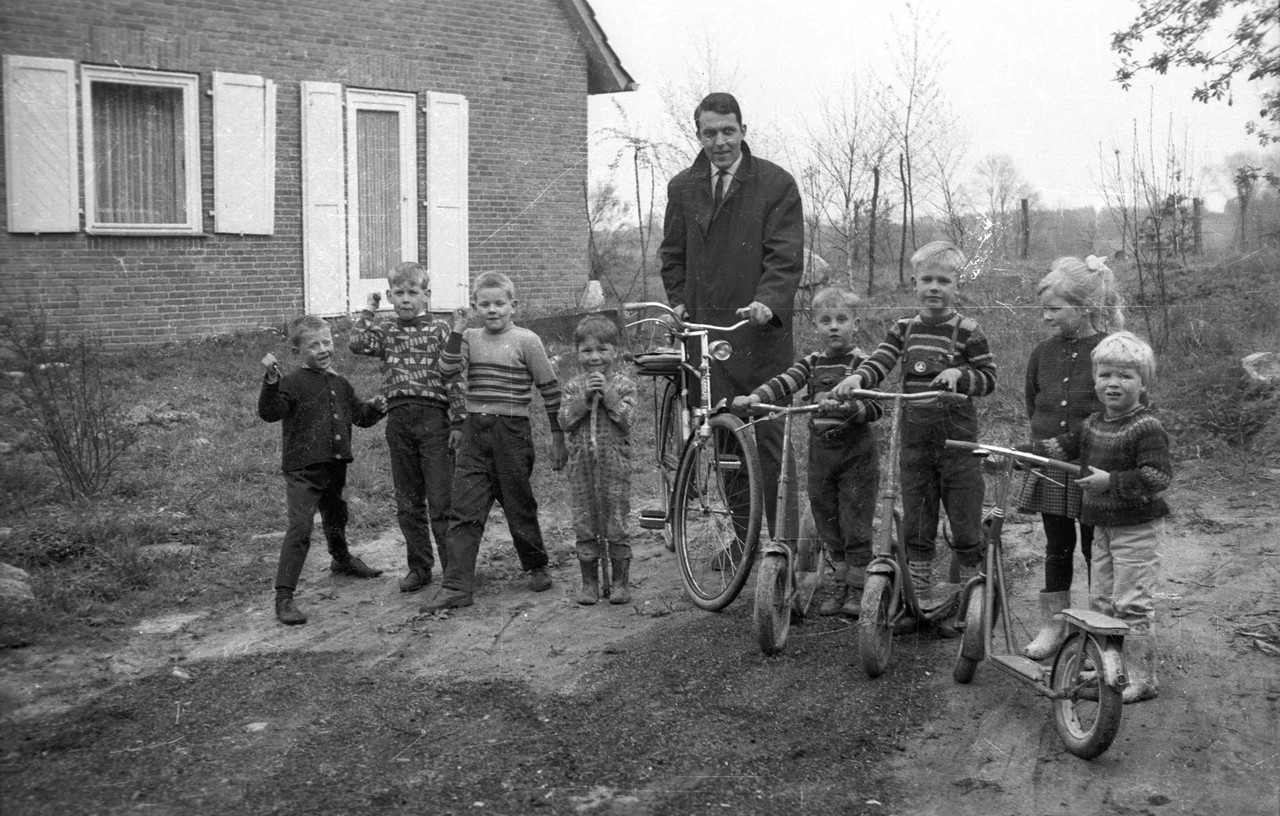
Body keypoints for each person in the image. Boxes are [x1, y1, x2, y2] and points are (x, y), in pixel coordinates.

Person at [659, 91, 804, 538]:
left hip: (759, 334)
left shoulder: (775, 184)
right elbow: (672, 254)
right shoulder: (682, 187)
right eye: (710, 132)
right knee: (724, 442)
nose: (720, 141)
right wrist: (679, 300)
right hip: (708, 336)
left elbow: (785, 258)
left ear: (743, 130)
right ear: (698, 134)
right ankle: (743, 544)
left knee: (769, 442)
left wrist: (768, 301)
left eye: (728, 131)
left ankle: (786, 550)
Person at [832, 241, 997, 622]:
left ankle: (974, 605)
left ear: (957, 285)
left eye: (944, 280)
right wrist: (857, 376)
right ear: (913, 283)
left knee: (965, 522)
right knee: (917, 521)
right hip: (915, 443)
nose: (934, 287)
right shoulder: (904, 329)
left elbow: (988, 379)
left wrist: (960, 373)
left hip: (958, 445)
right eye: (927, 280)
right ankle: (919, 600)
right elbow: (881, 360)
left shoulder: (968, 331)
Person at [1026, 331, 1170, 703]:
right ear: (1095, 380)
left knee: (1132, 603)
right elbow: (1058, 446)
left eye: (1125, 376)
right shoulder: (1093, 423)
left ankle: (1142, 677)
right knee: (1102, 601)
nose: (1113, 383)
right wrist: (1016, 453)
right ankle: (1108, 663)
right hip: (1102, 526)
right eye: (1106, 375)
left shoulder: (1146, 426)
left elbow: (1157, 476)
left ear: (1143, 382)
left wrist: (1112, 481)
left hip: (1136, 529)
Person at [420, 272, 569, 612]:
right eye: (484, 304)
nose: (492, 310)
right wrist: (456, 330)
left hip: (512, 434)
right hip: (475, 432)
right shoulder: (470, 337)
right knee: (465, 508)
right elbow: (446, 370)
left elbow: (549, 388)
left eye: (499, 304)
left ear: (513, 306)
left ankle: (536, 565)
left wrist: (557, 435)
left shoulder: (527, 341)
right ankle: (457, 585)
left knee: (519, 504)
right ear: (474, 307)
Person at [733, 287, 883, 617]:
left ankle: (858, 589)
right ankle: (840, 583)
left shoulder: (863, 363)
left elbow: (875, 408)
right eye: (825, 320)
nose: (834, 327)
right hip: (821, 456)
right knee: (826, 518)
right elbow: (785, 381)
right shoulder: (812, 364)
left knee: (854, 521)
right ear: (815, 326)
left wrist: (848, 405)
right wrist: (756, 398)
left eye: (842, 320)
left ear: (855, 325)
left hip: (857, 454)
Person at [1018, 255, 1125, 659]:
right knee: (1056, 545)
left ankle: (1100, 628)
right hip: (1052, 468)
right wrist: (1046, 447)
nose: (1046, 318)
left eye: (1055, 309)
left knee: (1094, 549)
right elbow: (1034, 404)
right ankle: (1054, 624)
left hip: (1093, 471)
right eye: (1043, 309)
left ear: (1084, 308)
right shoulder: (1042, 353)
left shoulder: (1109, 351)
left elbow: (1123, 407)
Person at [257, 315, 386, 625]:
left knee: (336, 514)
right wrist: (271, 384)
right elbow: (270, 413)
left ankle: (341, 560)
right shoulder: (291, 383)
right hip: (303, 469)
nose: (323, 349)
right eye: (313, 345)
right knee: (301, 528)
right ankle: (284, 596)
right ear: (296, 352)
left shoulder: (340, 383)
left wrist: (376, 408)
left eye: (327, 342)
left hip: (335, 464)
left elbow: (359, 416)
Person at [349, 261, 467, 594]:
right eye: (398, 293)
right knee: (408, 501)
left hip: (434, 421)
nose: (405, 300)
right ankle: (419, 567)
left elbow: (454, 376)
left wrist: (458, 420)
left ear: (426, 295)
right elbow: (357, 343)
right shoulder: (385, 331)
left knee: (441, 500)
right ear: (389, 296)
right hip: (399, 422)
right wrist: (369, 311)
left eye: (412, 293)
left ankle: (455, 571)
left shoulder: (441, 330)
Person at [559, 315, 639, 605]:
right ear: (577, 353)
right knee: (584, 523)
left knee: (616, 523)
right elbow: (566, 420)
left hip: (615, 465)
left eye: (602, 350)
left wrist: (607, 393)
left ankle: (620, 583)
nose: (595, 357)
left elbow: (628, 419)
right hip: (581, 467)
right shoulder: (571, 386)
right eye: (587, 351)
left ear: (615, 351)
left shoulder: (625, 385)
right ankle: (589, 583)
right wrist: (584, 397)